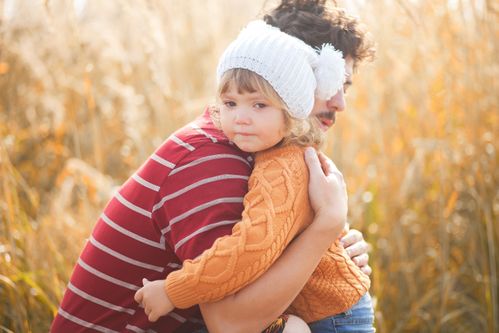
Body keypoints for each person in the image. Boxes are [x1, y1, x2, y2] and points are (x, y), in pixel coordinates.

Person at [50, 1, 375, 332]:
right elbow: (230, 324)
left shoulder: (260, 149)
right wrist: (326, 227)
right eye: (328, 81)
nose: (340, 103)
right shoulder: (214, 159)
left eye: (344, 86)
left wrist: (329, 252)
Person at [134, 18, 373, 333]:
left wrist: (172, 291)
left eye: (259, 104)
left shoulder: (282, 165)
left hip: (333, 318)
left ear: (292, 112)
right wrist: (326, 229)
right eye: (230, 103)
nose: (241, 118)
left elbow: (250, 248)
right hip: (330, 312)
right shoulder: (229, 157)